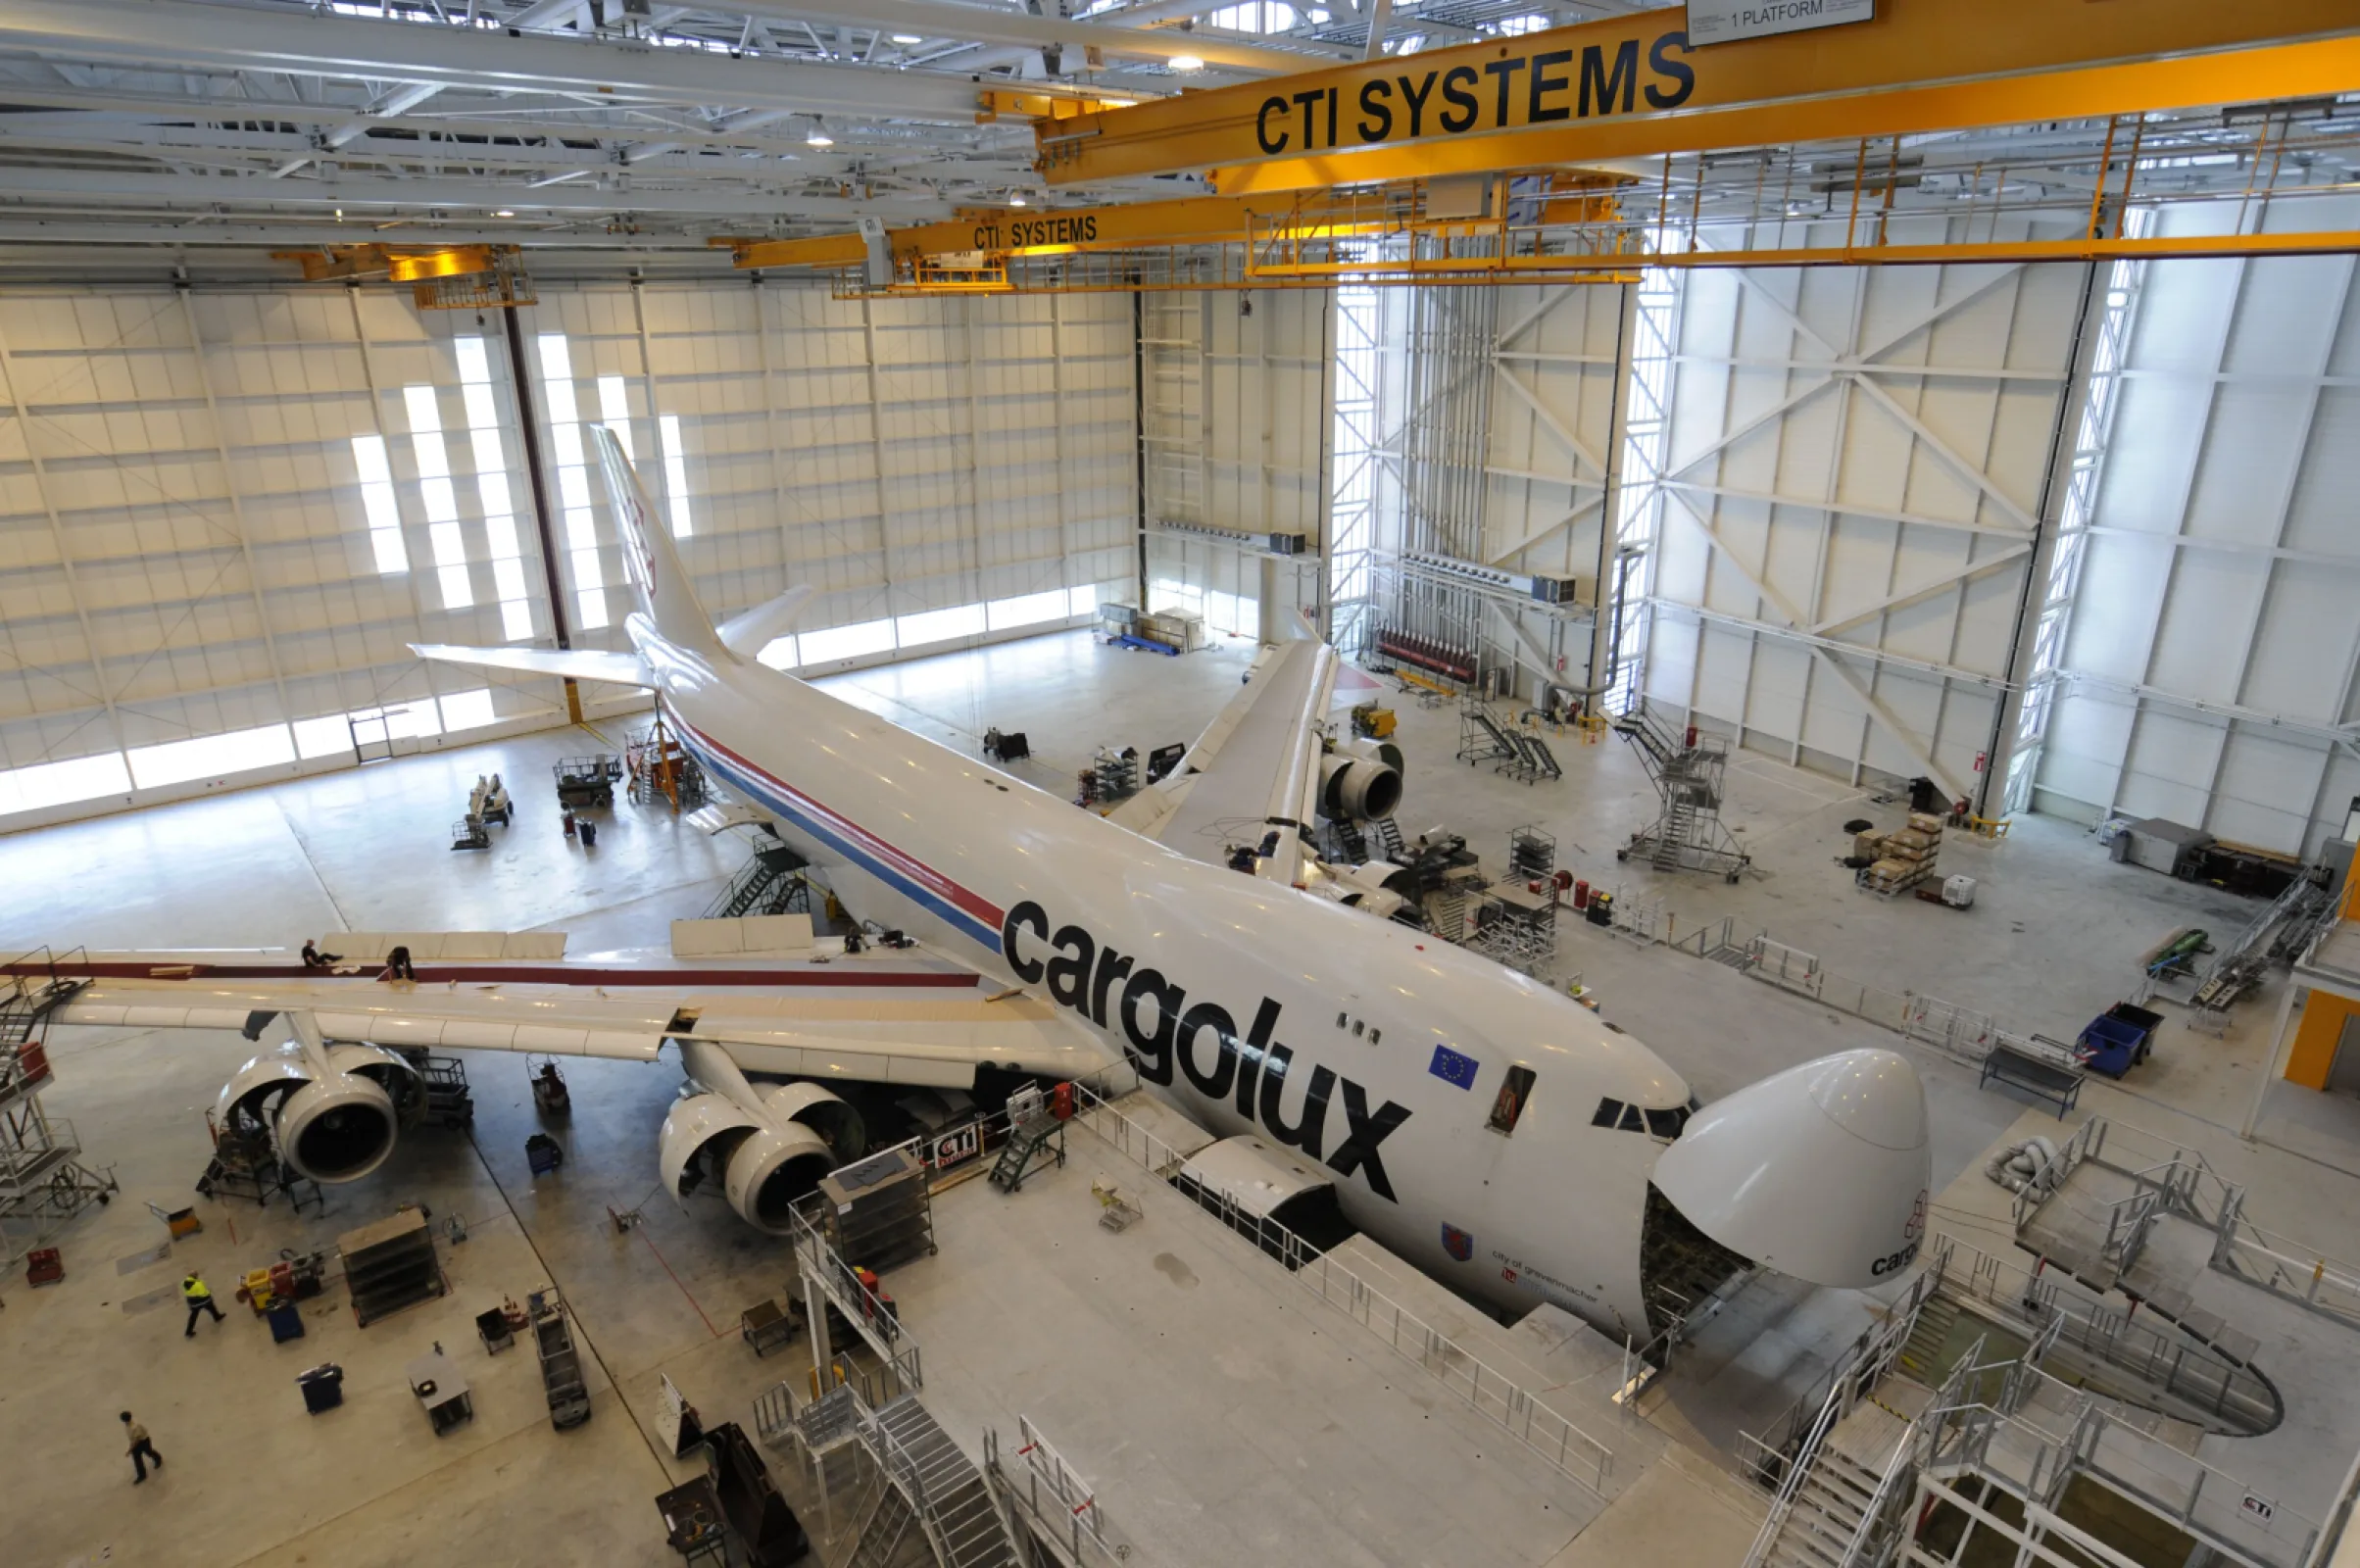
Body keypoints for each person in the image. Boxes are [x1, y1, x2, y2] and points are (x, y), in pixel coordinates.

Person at [122, 1410, 163, 1483]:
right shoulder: (129, 1424)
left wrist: (129, 1450)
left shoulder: (134, 1427)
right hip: (136, 1441)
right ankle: (142, 1475)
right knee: (137, 1459)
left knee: (149, 1452)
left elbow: (136, 1440)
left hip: (143, 1441)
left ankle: (158, 1458)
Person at [181, 1271, 224, 1337]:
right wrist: (209, 1293)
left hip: (192, 1302)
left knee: (193, 1317)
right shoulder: (198, 1284)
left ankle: (188, 1332)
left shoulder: (184, 1283)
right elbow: (203, 1294)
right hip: (202, 1301)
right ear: (195, 1276)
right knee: (212, 1308)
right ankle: (217, 1317)